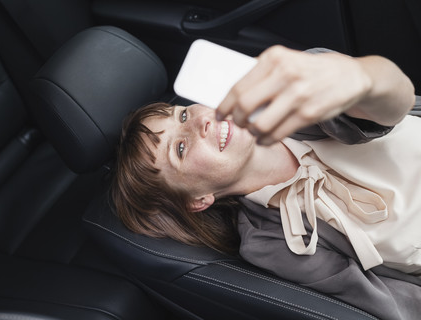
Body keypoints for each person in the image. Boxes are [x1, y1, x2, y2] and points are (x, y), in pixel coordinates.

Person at [112, 45, 420, 318]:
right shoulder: (269, 244)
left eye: (180, 116)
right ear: (198, 199)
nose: (199, 121)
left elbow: (397, 101)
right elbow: (394, 303)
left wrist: (360, 77)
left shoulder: (291, 94)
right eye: (179, 149)